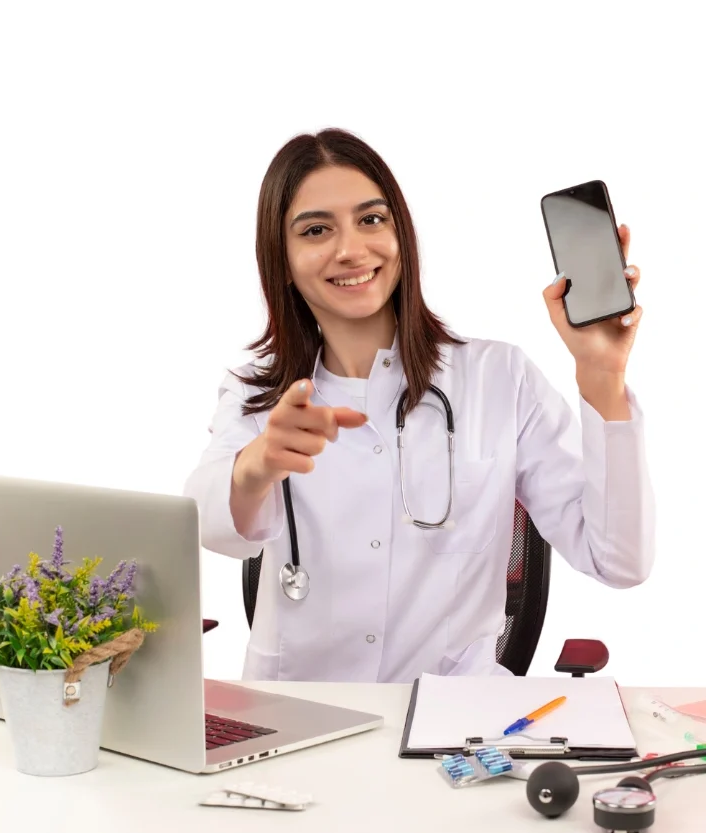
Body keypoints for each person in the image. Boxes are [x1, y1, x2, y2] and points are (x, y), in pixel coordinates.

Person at [183, 128, 655, 683]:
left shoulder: (498, 378)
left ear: (401, 236)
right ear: (282, 259)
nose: (351, 249)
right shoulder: (257, 390)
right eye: (316, 230)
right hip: (303, 720)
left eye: (372, 219)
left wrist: (603, 379)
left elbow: (619, 561)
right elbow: (210, 526)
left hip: (452, 728)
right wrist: (256, 466)